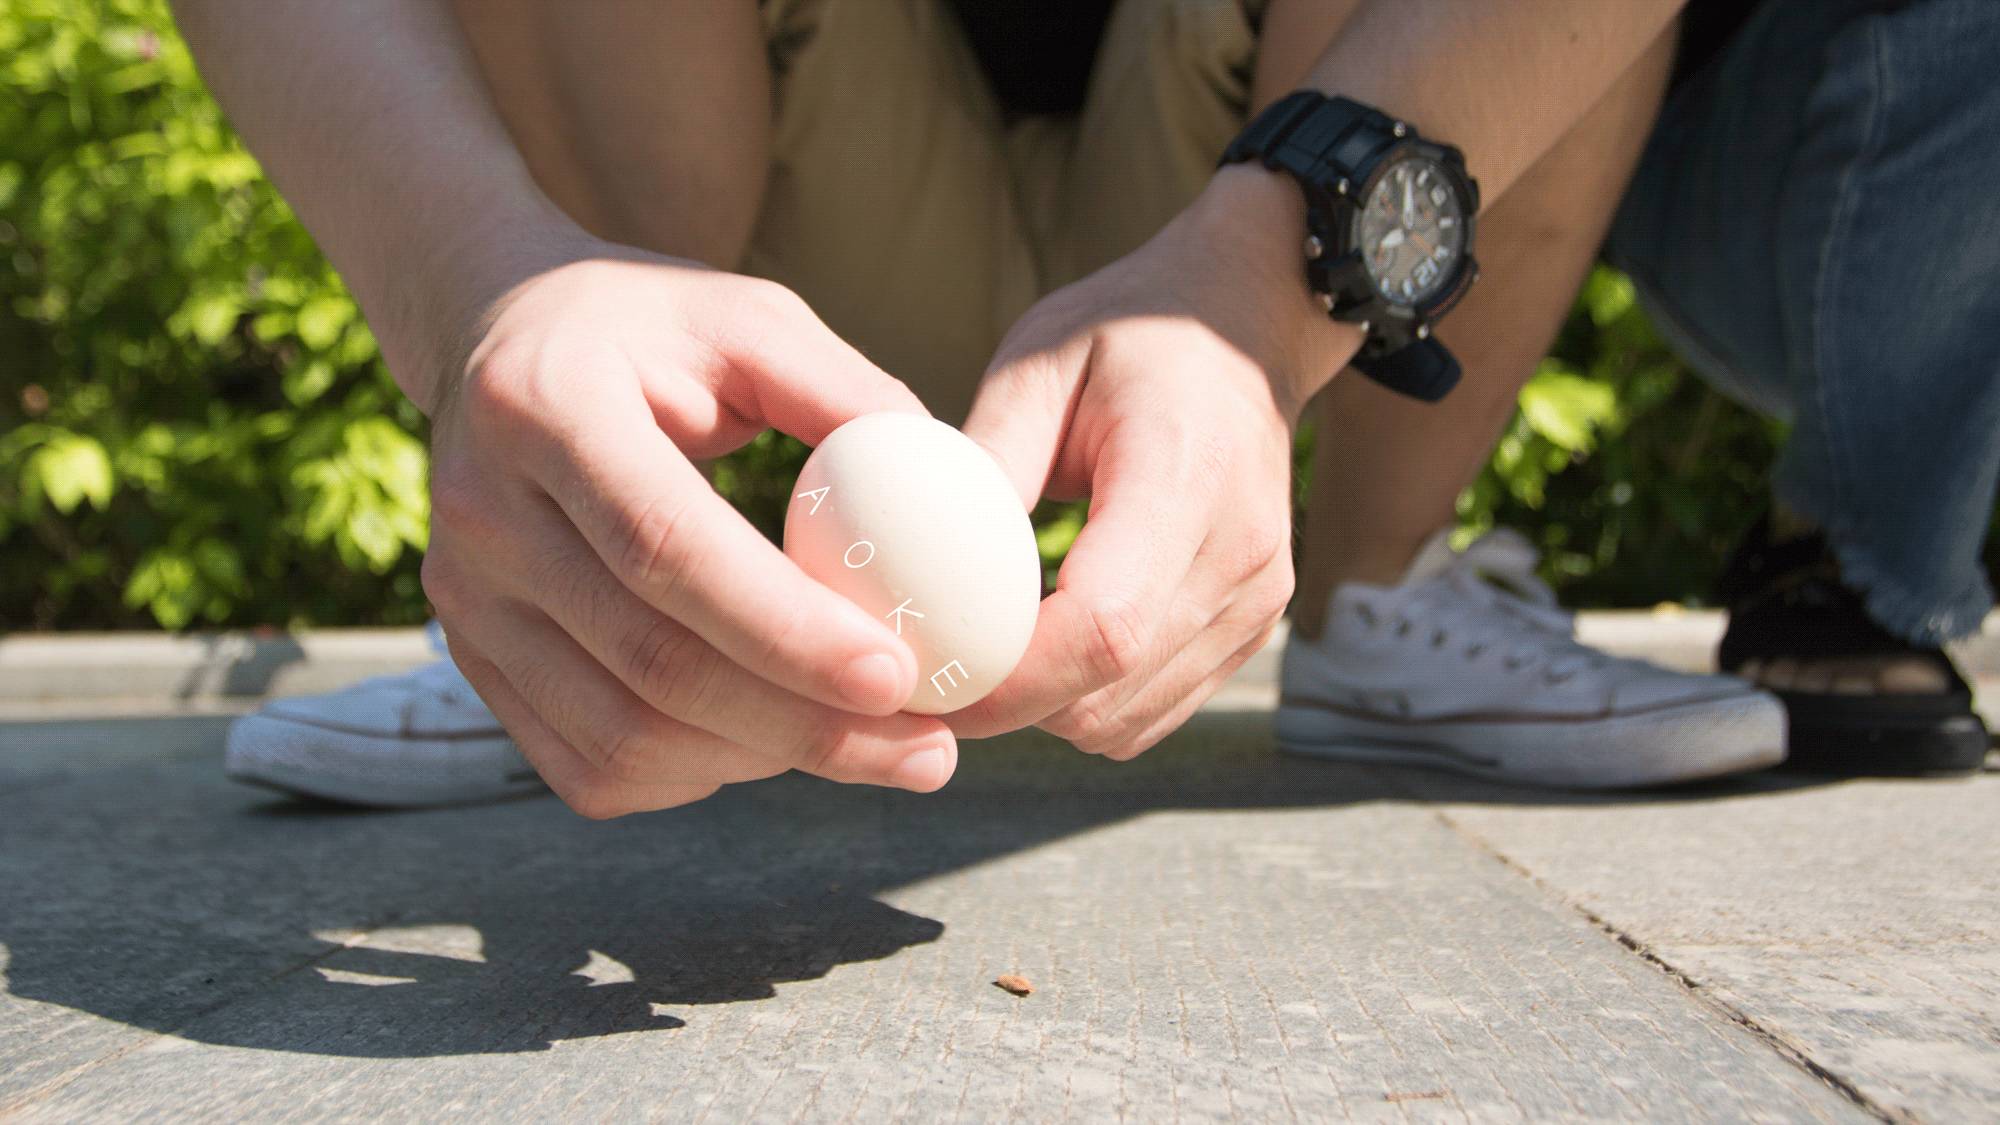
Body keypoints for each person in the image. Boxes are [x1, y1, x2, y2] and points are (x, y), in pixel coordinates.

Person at [197, 0, 1986, 813]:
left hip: (1262, 174)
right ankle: (603, 553)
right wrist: (491, 281)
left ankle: (1378, 582)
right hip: (785, 180)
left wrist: (1263, 289)